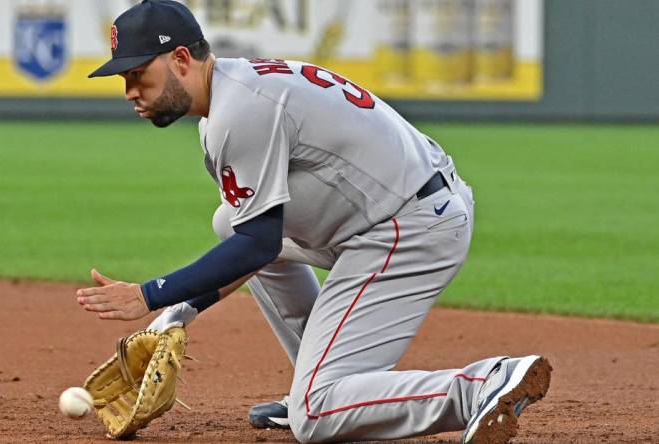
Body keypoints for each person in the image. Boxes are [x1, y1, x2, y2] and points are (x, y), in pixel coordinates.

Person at [77, 1, 551, 442]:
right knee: (231, 222)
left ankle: (480, 386)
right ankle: (319, 378)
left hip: (411, 226)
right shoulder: (235, 93)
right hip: (395, 208)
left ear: (181, 58)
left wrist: (149, 296)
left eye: (138, 74)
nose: (129, 91)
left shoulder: (237, 112)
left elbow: (259, 247)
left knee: (314, 414)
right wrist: (171, 320)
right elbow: (254, 240)